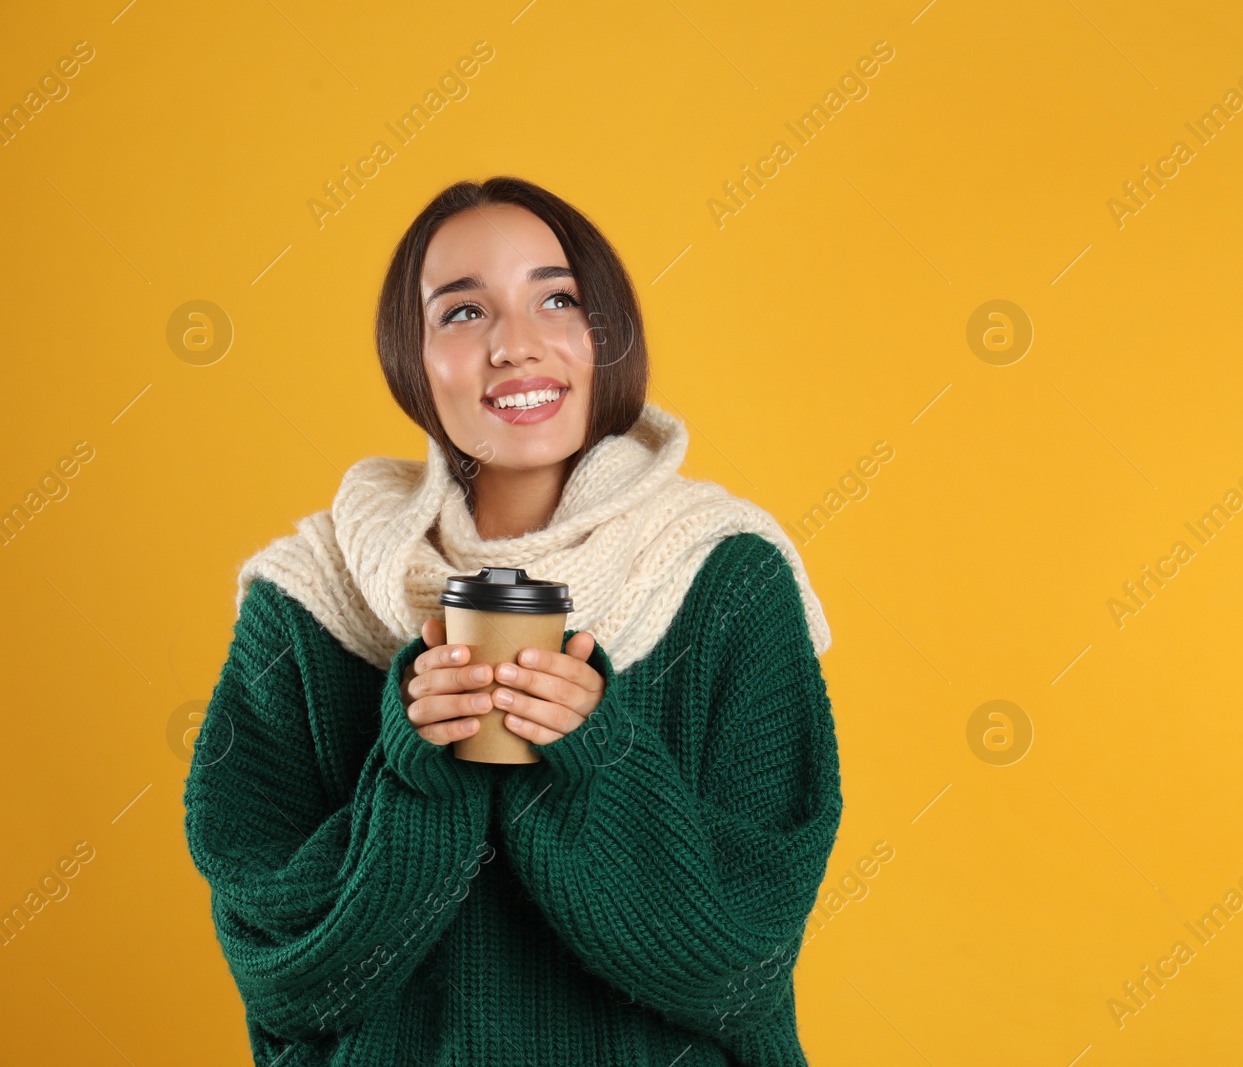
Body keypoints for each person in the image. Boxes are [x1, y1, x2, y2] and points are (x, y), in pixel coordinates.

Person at [182, 176, 843, 1066]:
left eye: (557, 300)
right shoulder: (311, 597)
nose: (516, 346)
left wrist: (596, 756)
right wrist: (416, 773)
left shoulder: (725, 577)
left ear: (604, 335)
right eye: (463, 313)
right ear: (410, 358)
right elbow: (287, 975)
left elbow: (743, 963)